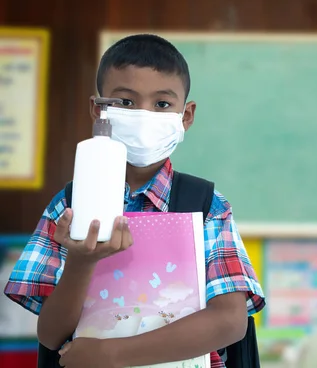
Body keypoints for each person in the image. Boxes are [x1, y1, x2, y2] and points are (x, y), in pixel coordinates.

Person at [3, 34, 265, 368]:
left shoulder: (206, 206)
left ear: (186, 116)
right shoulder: (68, 205)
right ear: (98, 109)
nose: (143, 115)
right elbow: (51, 334)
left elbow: (229, 321)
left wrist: (112, 355)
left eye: (162, 104)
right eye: (125, 102)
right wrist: (82, 261)